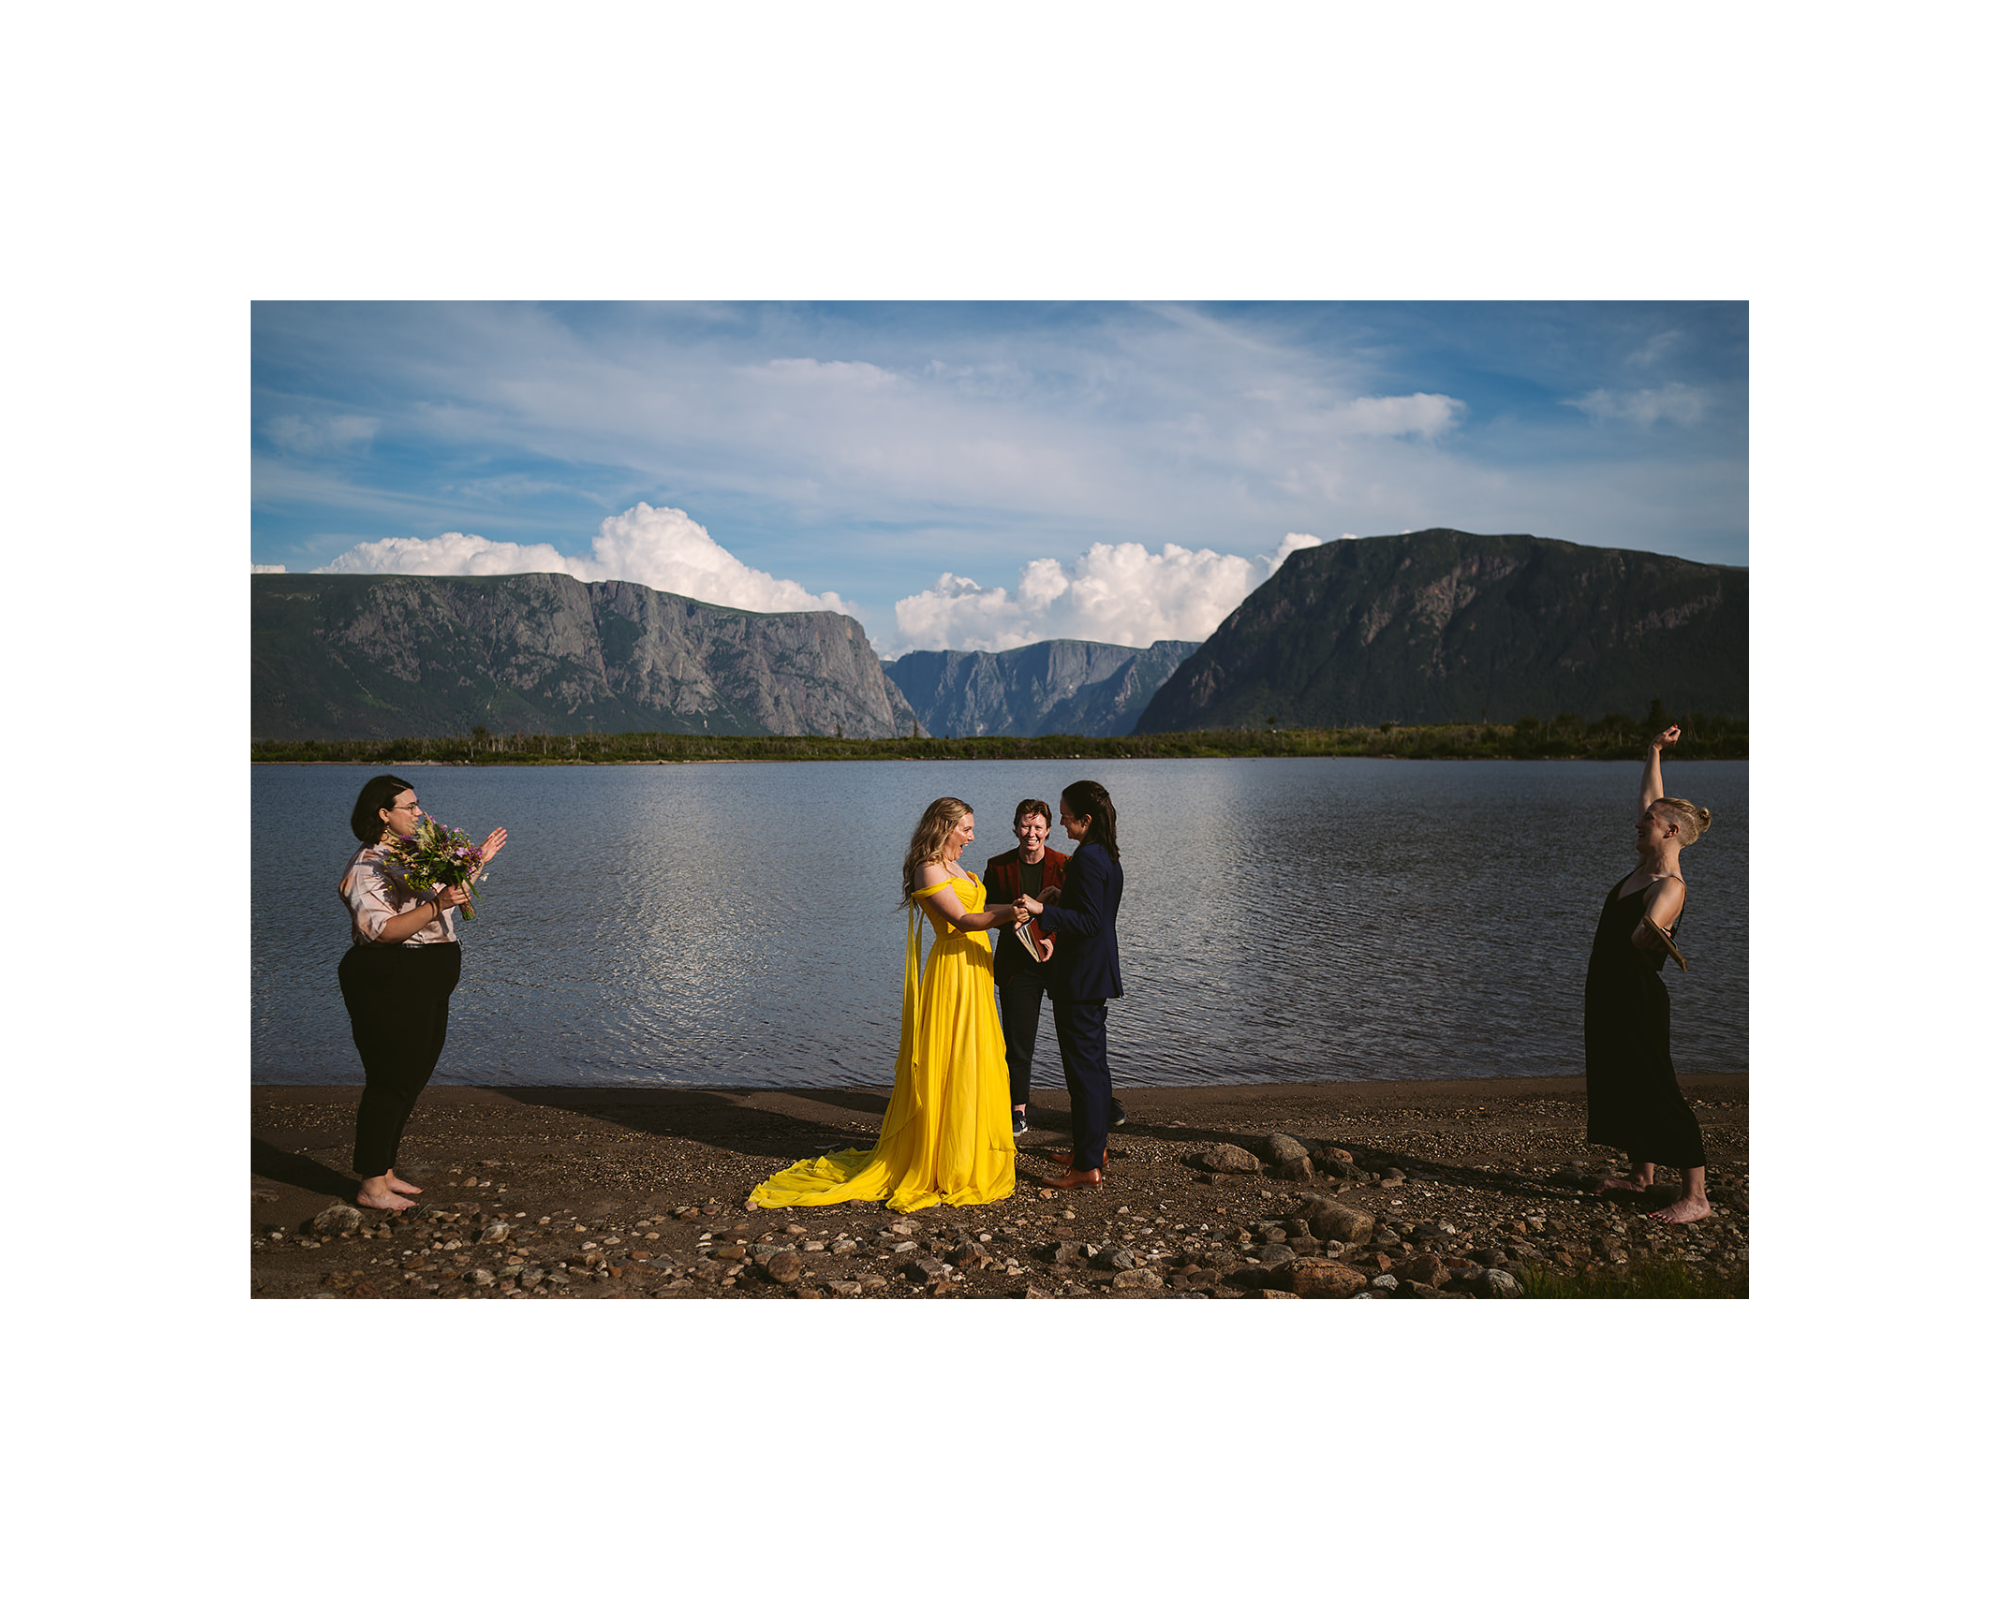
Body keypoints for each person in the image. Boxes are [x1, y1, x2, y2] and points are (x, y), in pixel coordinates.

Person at [750, 798, 1027, 1214]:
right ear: (945, 827)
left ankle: (968, 1150)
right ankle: (942, 1157)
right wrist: (1011, 913)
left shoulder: (957, 869)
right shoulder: (928, 869)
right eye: (966, 829)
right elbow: (961, 921)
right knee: (951, 1059)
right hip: (953, 972)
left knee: (976, 1058)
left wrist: (1018, 907)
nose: (972, 837)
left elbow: (978, 909)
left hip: (976, 969)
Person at [336, 775, 507, 1213]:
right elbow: (381, 931)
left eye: (418, 805)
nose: (419, 813)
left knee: (412, 1077)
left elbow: (447, 892)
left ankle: (385, 1170)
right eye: (409, 807)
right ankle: (371, 1184)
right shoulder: (368, 866)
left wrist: (477, 861)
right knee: (390, 1079)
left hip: (426, 977)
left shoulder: (410, 854)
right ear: (383, 814)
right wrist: (439, 905)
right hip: (390, 977)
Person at [1584, 726, 1713, 1224]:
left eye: (1649, 822)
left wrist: (1647, 933)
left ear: (1671, 832)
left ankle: (1696, 1196)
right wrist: (1654, 751)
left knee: (1657, 1086)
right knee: (1623, 1080)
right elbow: (1652, 798)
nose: (1639, 822)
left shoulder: (1669, 885)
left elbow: (1649, 930)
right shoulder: (1643, 864)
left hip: (1638, 997)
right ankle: (1642, 1176)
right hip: (1610, 991)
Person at [1013, 779, 1124, 1191]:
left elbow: (1091, 922)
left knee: (1083, 1074)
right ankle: (1090, 1150)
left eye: (1065, 816)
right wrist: (1063, 895)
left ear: (1086, 819)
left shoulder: (1088, 858)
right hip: (1093, 973)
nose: (1059, 822)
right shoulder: (1104, 853)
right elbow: (1095, 910)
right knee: (1092, 1069)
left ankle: (1087, 1165)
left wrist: (1042, 908)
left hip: (1080, 978)